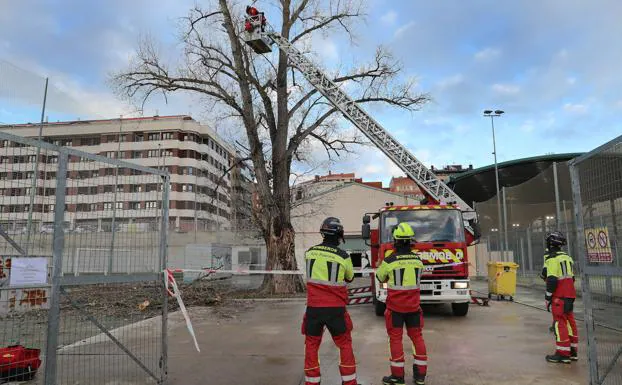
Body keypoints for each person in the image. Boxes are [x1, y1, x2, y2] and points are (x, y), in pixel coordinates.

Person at [302, 217, 358, 385]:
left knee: (311, 344)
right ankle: (349, 382)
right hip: (335, 309)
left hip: (313, 308)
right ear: (339, 235)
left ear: (323, 233)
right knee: (344, 344)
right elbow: (350, 277)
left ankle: (312, 382)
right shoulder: (343, 256)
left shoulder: (310, 252)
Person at [376, 222, 427, 385]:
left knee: (395, 340)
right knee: (417, 338)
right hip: (414, 307)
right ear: (410, 241)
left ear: (395, 241)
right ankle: (420, 377)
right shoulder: (418, 261)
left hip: (395, 308)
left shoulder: (389, 260)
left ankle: (398, 377)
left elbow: (380, 277)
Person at [541, 231, 578, 364]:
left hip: (559, 296)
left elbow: (551, 280)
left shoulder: (552, 259)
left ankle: (562, 353)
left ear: (550, 244)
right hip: (570, 294)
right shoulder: (567, 258)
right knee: (570, 322)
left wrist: (548, 297)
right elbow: (572, 278)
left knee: (559, 323)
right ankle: (573, 352)